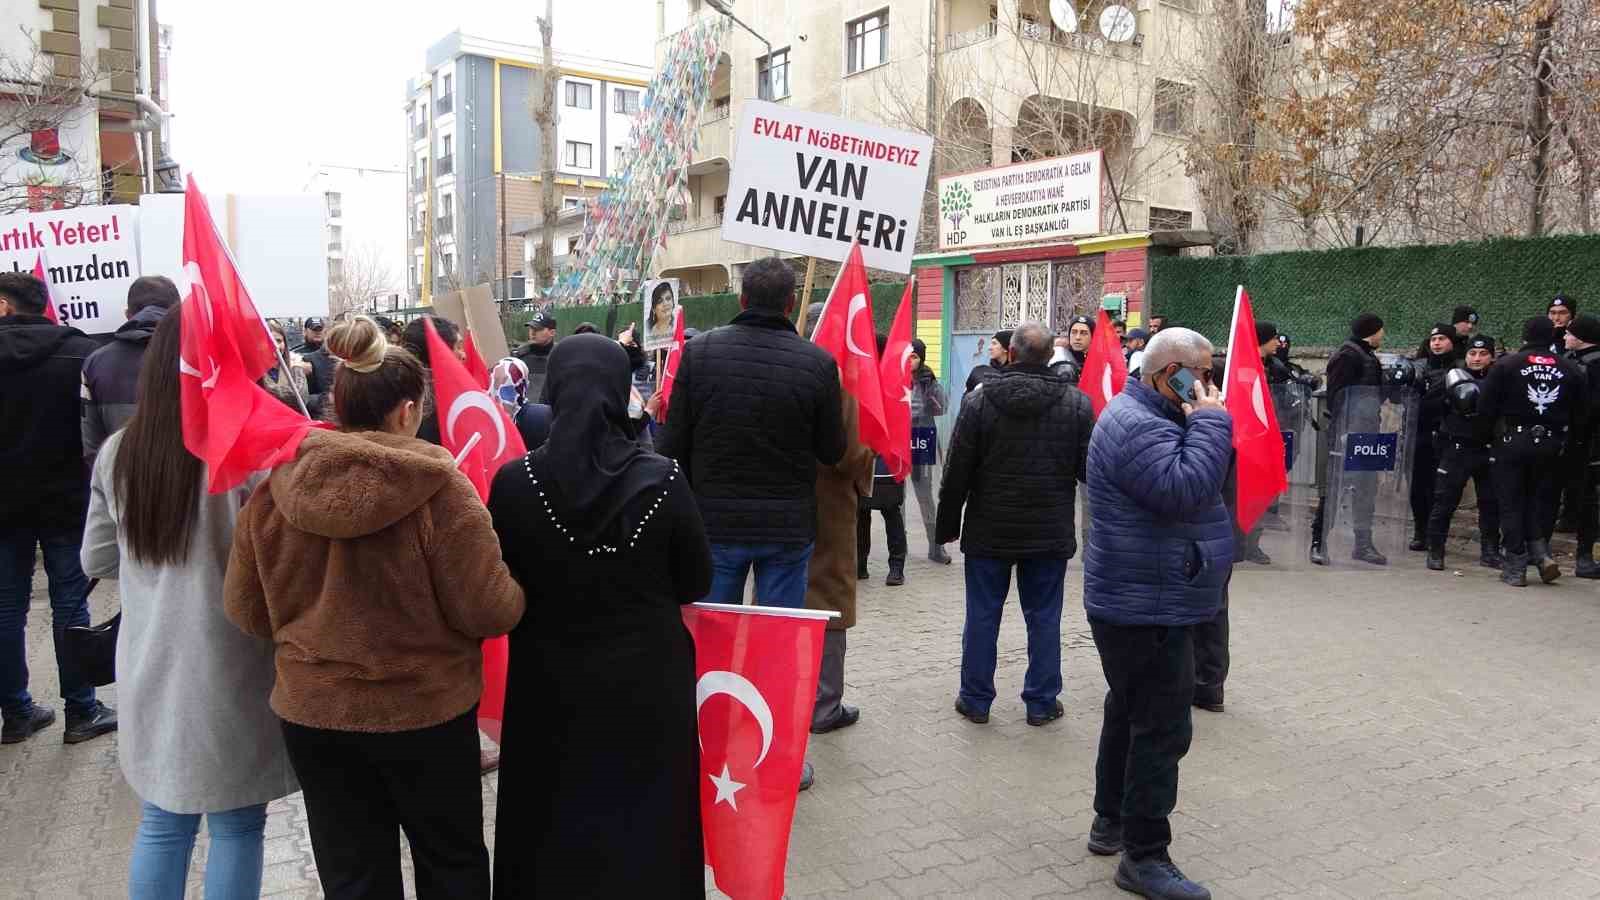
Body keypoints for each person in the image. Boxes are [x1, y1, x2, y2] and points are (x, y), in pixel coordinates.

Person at [224, 316, 525, 898]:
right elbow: (489, 610)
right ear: (409, 411)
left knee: (352, 869)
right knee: (452, 860)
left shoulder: (275, 489)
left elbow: (246, 609)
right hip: (426, 714)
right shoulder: (442, 491)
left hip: (315, 715)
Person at [79, 311, 297, 898]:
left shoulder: (120, 451)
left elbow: (95, 560)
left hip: (150, 661)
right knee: (237, 823)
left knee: (162, 820)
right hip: (236, 662)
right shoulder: (252, 447)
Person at [487, 334, 710, 897]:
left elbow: (497, 580)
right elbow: (696, 579)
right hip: (647, 685)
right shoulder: (662, 480)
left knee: (552, 810)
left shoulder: (515, 484)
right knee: (648, 816)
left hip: (549, 681)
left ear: (555, 390)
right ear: (620, 392)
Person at [1082, 327, 1231, 900]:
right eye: (1203, 373)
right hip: (1147, 601)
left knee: (1129, 710)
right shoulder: (1139, 423)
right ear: (1171, 374)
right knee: (1164, 726)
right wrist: (1212, 422)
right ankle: (1144, 856)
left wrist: (1201, 423)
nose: (1210, 385)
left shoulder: (1149, 413)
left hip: (1149, 594)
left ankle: (1111, 821)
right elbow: (1184, 488)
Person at [656, 257, 845, 609]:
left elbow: (672, 445)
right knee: (778, 641)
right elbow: (832, 451)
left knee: (714, 638)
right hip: (787, 529)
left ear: (742, 299)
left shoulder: (699, 353)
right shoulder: (818, 363)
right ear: (790, 304)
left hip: (715, 524)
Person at [938, 323, 1094, 727]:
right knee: (1044, 617)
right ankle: (1041, 703)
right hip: (1048, 532)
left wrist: (946, 526)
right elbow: (1088, 471)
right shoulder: (1076, 404)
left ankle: (975, 700)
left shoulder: (979, 401)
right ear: (1048, 356)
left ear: (1011, 353)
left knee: (982, 615)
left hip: (989, 530)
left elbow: (957, 470)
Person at [0, 272, 117, 746]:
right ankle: (81, 710)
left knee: (7, 606)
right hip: (67, 499)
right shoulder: (81, 353)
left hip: (4, 505)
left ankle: (16, 711)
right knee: (71, 602)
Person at [1479, 317, 1588, 587]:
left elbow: (1486, 407)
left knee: (1511, 502)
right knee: (1539, 501)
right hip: (1552, 444)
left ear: (1525, 336)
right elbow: (1581, 415)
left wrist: (1486, 439)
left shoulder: (1506, 365)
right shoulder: (1570, 368)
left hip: (1512, 442)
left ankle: (1515, 565)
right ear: (1552, 336)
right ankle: (1541, 554)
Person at [1310, 313, 1387, 566]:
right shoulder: (1348, 355)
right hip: (1347, 433)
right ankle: (1318, 544)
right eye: (1381, 331)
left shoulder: (1367, 355)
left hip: (1368, 433)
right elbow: (1337, 396)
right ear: (1372, 331)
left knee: (1366, 490)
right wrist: (1343, 432)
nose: (1382, 335)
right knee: (1334, 489)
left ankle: (1363, 545)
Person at [81, 275, 180, 462]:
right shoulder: (201, 356)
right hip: (192, 483)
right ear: (177, 310)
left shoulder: (95, 362)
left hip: (123, 481)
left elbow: (91, 444)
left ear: (128, 314)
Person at [1425, 335, 1502, 571]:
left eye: (1483, 354)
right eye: (1472, 354)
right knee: (1444, 502)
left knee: (1491, 503)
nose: (1477, 358)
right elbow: (1428, 407)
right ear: (1466, 355)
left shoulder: (1499, 380)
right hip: (1456, 448)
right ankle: (1435, 551)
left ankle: (1490, 552)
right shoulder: (1451, 377)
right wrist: (1448, 400)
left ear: (1491, 357)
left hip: (1488, 448)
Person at [1408, 324, 1460, 551]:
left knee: (1442, 490)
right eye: (1433, 339)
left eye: (1442, 339)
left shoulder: (1460, 368)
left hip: (1446, 434)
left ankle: (1437, 535)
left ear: (1452, 342)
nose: (1437, 343)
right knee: (1418, 487)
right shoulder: (1418, 367)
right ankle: (1421, 531)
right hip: (1420, 433)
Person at [907, 338, 951, 565]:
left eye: (914, 356)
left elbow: (942, 408)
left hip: (922, 436)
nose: (910, 360)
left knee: (925, 495)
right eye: (907, 355)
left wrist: (931, 387)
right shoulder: (892, 376)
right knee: (896, 497)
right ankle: (899, 547)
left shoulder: (928, 380)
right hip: (898, 437)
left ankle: (936, 546)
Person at [1562, 315, 1600, 578]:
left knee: (1589, 501)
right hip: (1574, 443)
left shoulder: (1594, 366)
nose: (1564, 336)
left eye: (1568, 333)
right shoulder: (1572, 362)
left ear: (1581, 337)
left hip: (1590, 445)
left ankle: (1585, 556)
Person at [400, 314, 462, 444]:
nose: (463, 355)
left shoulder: (395, 387)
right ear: (440, 352)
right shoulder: (443, 402)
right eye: (458, 347)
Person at [263, 320, 313, 411]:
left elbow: (300, 398)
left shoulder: (294, 366)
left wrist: (297, 368)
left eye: (279, 340)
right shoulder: (253, 372)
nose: (276, 346)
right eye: (269, 341)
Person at [513, 307, 559, 402]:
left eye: (538, 329)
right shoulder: (519, 357)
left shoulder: (561, 356)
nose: (533, 333)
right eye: (531, 328)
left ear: (552, 332)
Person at [964, 329, 1011, 394]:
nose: (989, 348)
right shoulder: (980, 372)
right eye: (991, 343)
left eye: (994, 344)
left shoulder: (1017, 374)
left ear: (1005, 348)